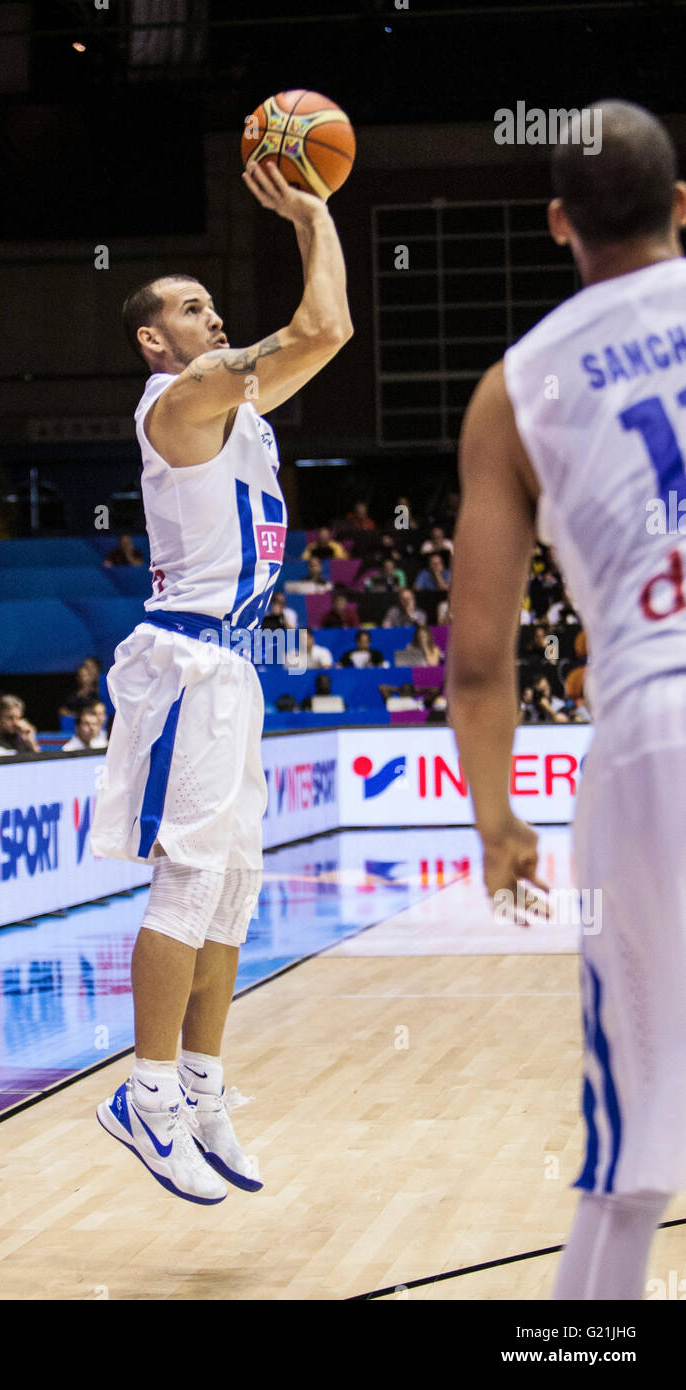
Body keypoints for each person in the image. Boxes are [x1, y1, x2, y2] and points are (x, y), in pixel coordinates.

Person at [446, 100, 686, 1301]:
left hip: (655, 727)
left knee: (628, 1140)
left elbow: (479, 659)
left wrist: (497, 825)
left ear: (556, 224)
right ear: (681, 206)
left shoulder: (515, 386)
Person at [89, 154, 352, 1205]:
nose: (210, 315)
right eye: (191, 308)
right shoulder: (182, 396)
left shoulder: (236, 406)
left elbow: (318, 332)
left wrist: (310, 222)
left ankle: (198, 1084)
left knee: (234, 888)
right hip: (187, 661)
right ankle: (143, 1092)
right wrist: (312, 213)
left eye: (208, 305)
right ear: (155, 338)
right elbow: (323, 328)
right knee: (187, 881)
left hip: (234, 661)